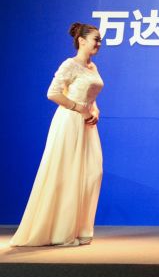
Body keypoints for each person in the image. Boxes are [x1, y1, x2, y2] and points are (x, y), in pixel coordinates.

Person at [10, 23, 104, 248]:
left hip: (87, 124)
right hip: (70, 121)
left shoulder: (92, 66)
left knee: (93, 173)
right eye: (96, 39)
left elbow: (90, 95)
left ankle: (81, 228)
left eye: (100, 40)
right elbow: (53, 93)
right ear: (81, 40)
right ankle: (62, 232)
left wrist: (94, 110)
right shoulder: (69, 64)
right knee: (67, 173)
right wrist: (79, 108)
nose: (99, 44)